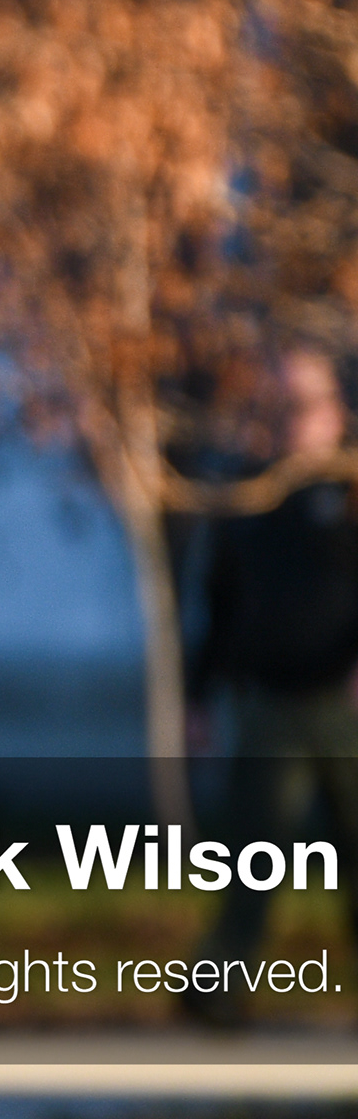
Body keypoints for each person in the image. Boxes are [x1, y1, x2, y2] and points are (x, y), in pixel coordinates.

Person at [187, 343, 358, 1004]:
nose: (289, 420)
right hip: (269, 704)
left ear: (336, 411)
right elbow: (220, 607)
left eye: (303, 405)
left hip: (344, 704)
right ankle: (218, 993)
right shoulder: (248, 499)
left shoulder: (349, 495)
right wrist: (196, 698)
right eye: (275, 406)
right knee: (252, 860)